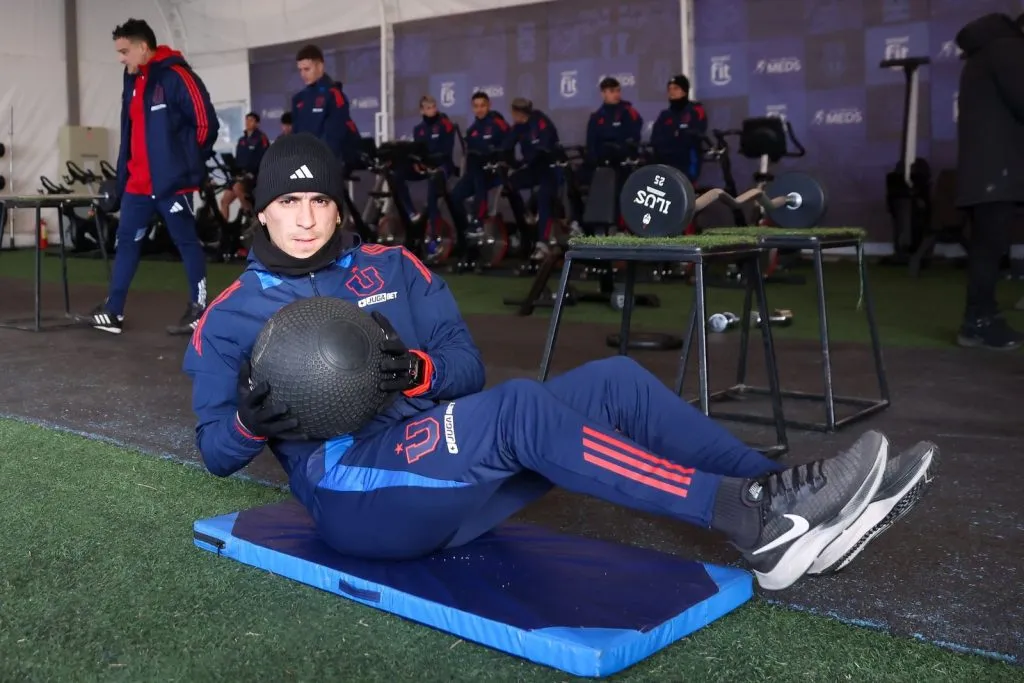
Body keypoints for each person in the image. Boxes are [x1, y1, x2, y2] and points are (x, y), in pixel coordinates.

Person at [182, 133, 937, 592]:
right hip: (356, 493)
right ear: (263, 210)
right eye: (289, 203)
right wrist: (251, 422)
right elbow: (216, 451)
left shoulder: (395, 267)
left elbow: (464, 366)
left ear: (340, 206)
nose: (307, 217)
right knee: (520, 409)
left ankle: (779, 494)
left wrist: (417, 373)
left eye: (320, 201)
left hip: (445, 468)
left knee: (610, 380)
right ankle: (750, 520)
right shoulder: (231, 316)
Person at [88, 18, 218, 335]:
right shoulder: (132, 79)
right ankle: (114, 310)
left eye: (124, 51)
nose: (121, 58)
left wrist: (184, 165)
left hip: (171, 184)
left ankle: (200, 310)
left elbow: (206, 125)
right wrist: (123, 177)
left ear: (143, 47)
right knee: (127, 244)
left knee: (186, 242)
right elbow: (131, 132)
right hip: (136, 185)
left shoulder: (177, 76)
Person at [953, 12, 1024, 350]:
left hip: (988, 169)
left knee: (989, 247)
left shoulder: (987, 52)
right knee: (989, 248)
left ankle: (982, 319)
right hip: (997, 169)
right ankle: (979, 321)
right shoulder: (1007, 50)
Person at [504, 97, 566, 260]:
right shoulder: (518, 127)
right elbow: (506, 146)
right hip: (534, 169)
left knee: (544, 196)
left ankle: (543, 243)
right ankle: (527, 218)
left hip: (551, 168)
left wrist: (525, 161)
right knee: (509, 184)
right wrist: (509, 162)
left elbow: (544, 148)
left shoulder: (541, 121)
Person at [393, 96, 457, 242]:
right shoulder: (418, 129)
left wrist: (430, 163)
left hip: (442, 166)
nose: (432, 110)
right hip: (424, 166)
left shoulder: (445, 125)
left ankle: (434, 233)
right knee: (397, 174)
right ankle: (411, 213)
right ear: (422, 110)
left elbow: (446, 152)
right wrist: (417, 162)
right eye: (428, 107)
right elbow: (417, 151)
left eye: (433, 106)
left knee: (434, 181)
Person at [448, 91, 510, 239]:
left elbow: (509, 145)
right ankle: (467, 229)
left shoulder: (498, 123)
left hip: (494, 172)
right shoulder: (472, 131)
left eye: (482, 105)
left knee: (479, 175)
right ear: (472, 108)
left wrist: (497, 156)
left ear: (488, 105)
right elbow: (470, 157)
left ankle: (478, 221)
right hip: (476, 173)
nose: (479, 109)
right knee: (454, 197)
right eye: (476, 106)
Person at [290, 44, 360, 167]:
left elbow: (334, 135)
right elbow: (296, 134)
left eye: (307, 69)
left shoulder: (333, 95)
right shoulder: (299, 99)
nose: (303, 74)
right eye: (300, 70)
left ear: (320, 67)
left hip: (325, 164)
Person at [649, 75, 708, 182]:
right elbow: (655, 139)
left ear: (684, 91)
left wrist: (676, 136)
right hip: (665, 163)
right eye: (670, 89)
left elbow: (696, 134)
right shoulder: (665, 115)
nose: (672, 92)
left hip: (687, 161)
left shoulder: (695, 110)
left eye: (676, 88)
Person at [219, 112, 268, 221]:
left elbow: (263, 158)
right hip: (239, 175)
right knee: (224, 201)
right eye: (246, 120)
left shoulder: (261, 138)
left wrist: (251, 172)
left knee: (238, 187)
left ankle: (250, 216)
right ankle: (224, 228)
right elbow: (237, 160)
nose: (247, 122)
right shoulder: (242, 140)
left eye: (251, 120)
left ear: (257, 123)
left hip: (253, 177)